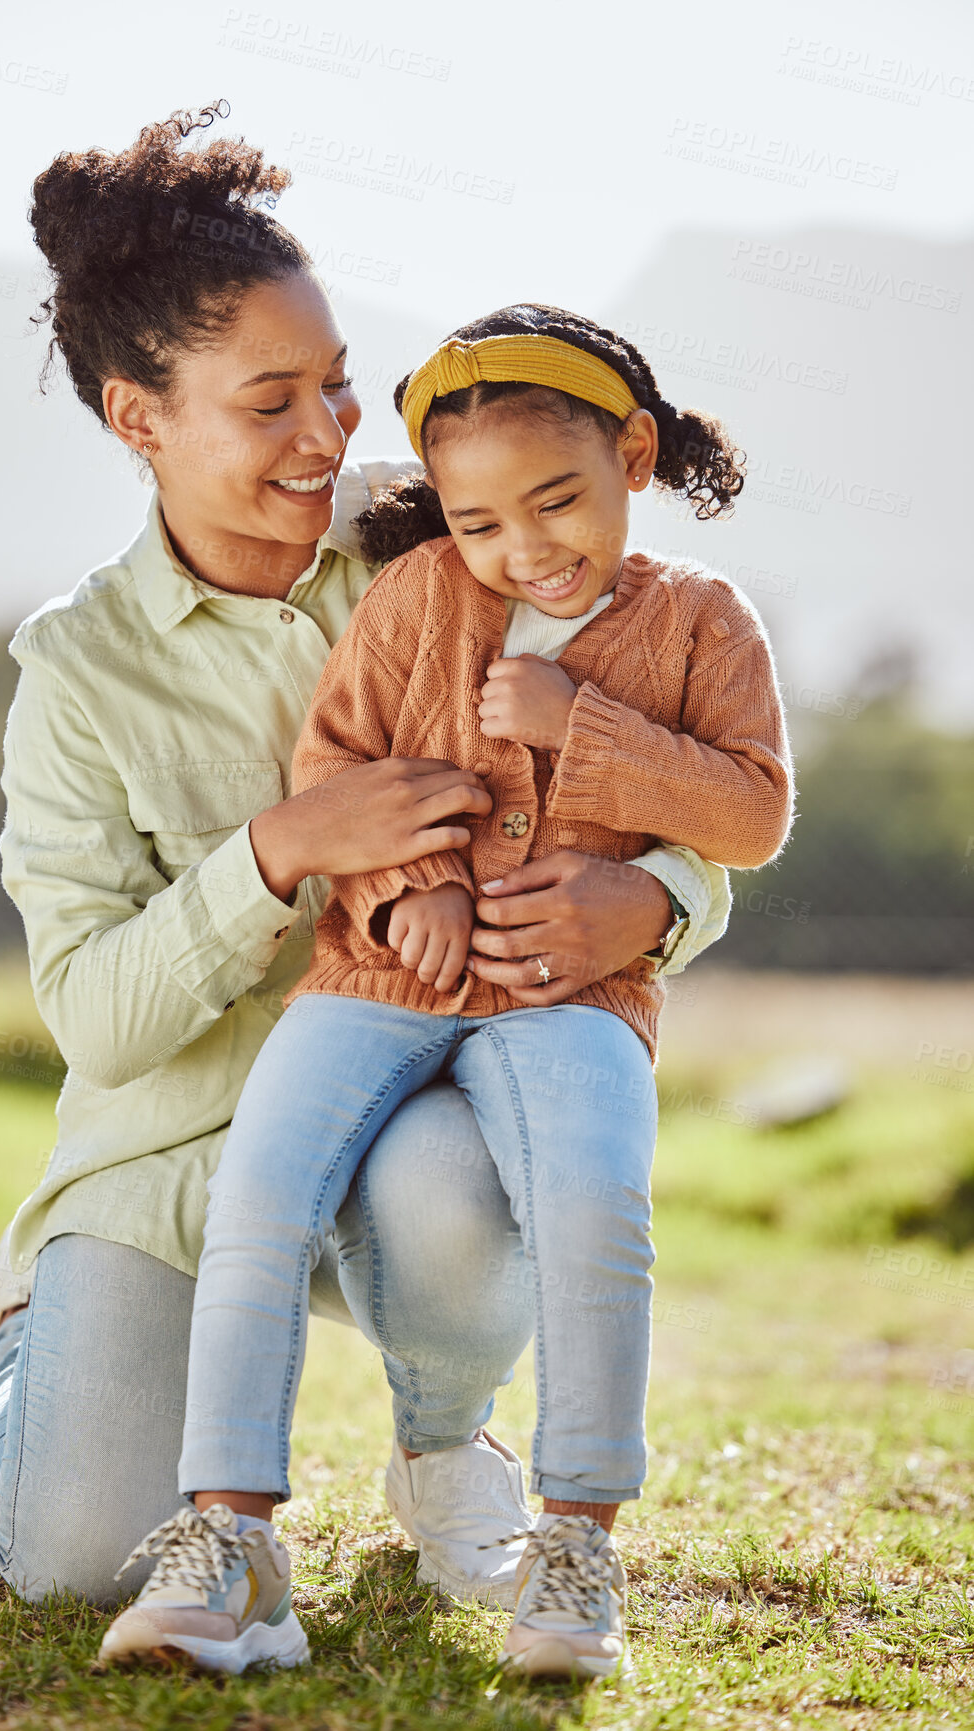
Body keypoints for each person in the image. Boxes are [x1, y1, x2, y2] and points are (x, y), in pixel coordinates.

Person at [0, 106, 731, 1622]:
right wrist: (282, 849)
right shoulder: (77, 669)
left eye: (332, 386)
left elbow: (668, 751)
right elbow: (101, 1023)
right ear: (142, 419)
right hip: (174, 1162)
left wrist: (660, 901)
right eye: (271, 406)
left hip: (423, 1109)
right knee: (71, 1562)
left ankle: (446, 1441)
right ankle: (41, 1347)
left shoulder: (450, 528)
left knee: (456, 1193)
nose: (328, 438)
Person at [98, 303, 793, 1681]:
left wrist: (582, 731)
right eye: (479, 522)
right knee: (261, 1193)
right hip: (377, 977)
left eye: (558, 503)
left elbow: (754, 811)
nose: (524, 549)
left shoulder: (705, 622)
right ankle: (226, 1539)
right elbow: (330, 769)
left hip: (569, 999)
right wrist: (397, 890)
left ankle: (577, 1545)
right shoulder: (419, 601)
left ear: (634, 455)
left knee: (598, 1206)